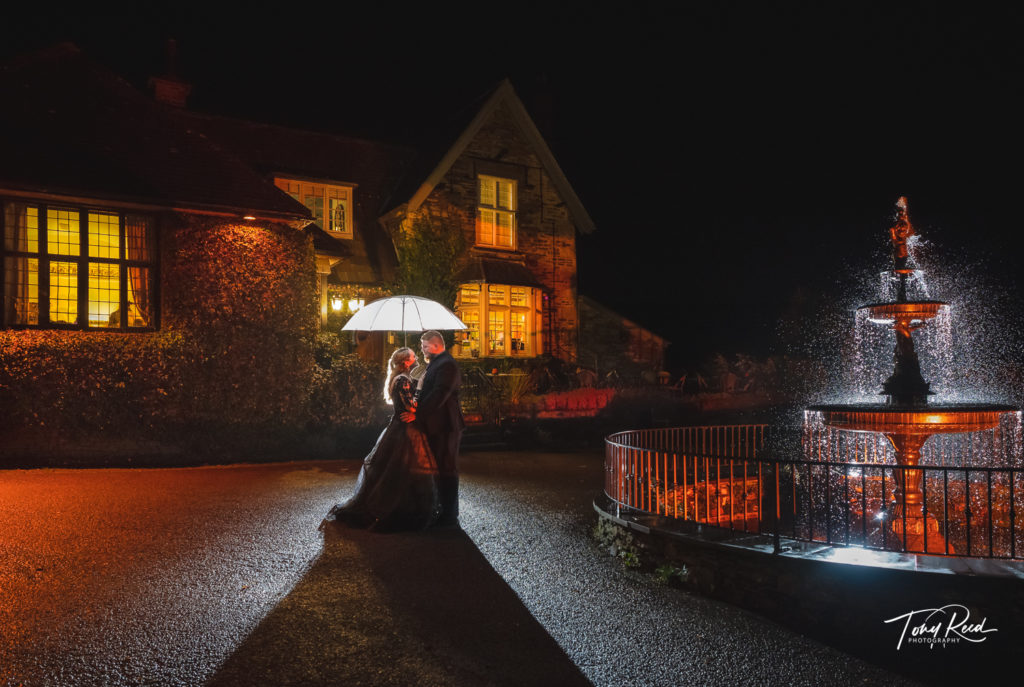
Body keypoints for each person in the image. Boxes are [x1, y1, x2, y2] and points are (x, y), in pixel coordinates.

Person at [327, 347, 441, 531]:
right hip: (404, 430)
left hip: (402, 427)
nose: (416, 358)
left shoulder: (402, 378)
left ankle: (406, 508)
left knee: (402, 472)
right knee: (401, 471)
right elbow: (410, 407)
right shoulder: (402, 380)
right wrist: (420, 388)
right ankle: (398, 511)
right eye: (413, 356)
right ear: (406, 362)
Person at [402, 330, 465, 527]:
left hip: (445, 425)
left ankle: (449, 515)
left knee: (447, 469)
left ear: (436, 345)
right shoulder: (436, 364)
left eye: (425, 346)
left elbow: (440, 394)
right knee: (439, 468)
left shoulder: (447, 365)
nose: (422, 349)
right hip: (437, 424)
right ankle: (442, 510)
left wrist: (417, 413)